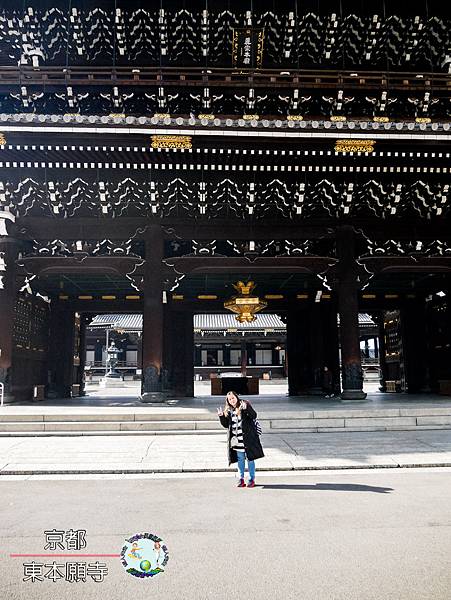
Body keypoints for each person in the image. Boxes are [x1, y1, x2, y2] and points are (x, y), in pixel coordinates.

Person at [217, 390, 264, 488]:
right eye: (229, 399)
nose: (232, 400)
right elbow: (226, 425)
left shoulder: (244, 405)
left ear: (237, 397)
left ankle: (251, 479)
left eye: (233, 398)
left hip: (247, 439)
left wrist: (247, 409)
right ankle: (241, 479)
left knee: (250, 459)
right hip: (237, 441)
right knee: (240, 460)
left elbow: (254, 416)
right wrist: (221, 416)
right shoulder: (229, 410)